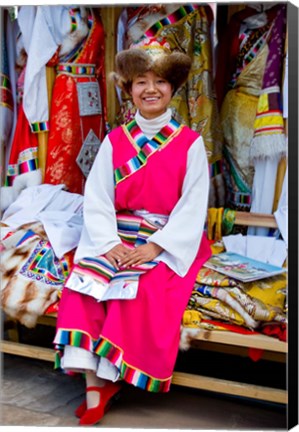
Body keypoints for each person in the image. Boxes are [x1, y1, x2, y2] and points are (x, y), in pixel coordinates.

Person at [53, 37, 211, 427]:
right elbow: (98, 198)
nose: (151, 89)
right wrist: (108, 245)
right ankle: (95, 385)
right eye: (141, 81)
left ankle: (112, 376)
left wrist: (156, 248)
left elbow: (193, 208)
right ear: (129, 90)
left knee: (140, 287)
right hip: (116, 234)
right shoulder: (114, 141)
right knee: (85, 283)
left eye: (159, 81)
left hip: (167, 235)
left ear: (172, 89)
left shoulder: (190, 144)